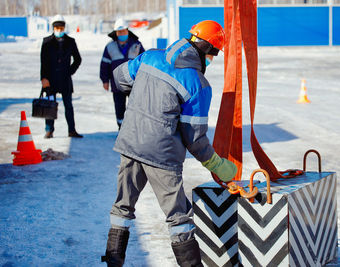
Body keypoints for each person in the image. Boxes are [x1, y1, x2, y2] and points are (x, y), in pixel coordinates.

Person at [101, 20, 237, 267]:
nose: (211, 61)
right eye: (212, 55)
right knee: (179, 218)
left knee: (122, 208)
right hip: (162, 155)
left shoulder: (149, 57)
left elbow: (119, 79)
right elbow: (195, 139)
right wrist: (219, 166)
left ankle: (112, 261)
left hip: (130, 143)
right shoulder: (198, 84)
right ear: (205, 49)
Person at [40, 14, 83, 138]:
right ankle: (49, 130)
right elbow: (43, 61)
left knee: (68, 106)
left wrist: (70, 71)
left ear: (64, 28)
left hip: (65, 79)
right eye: (57, 28)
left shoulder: (70, 41)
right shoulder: (47, 42)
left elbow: (78, 59)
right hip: (50, 80)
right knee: (50, 105)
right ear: (53, 28)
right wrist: (44, 78)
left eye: (61, 28)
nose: (59, 30)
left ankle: (72, 130)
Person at [100, 18, 145, 130]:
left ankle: (133, 130)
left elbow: (144, 63)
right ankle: (121, 129)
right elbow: (104, 64)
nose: (121, 34)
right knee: (119, 108)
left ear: (127, 30)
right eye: (119, 32)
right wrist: (105, 80)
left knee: (135, 108)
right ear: (116, 33)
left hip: (134, 83)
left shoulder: (137, 45)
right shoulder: (110, 46)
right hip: (117, 84)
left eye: (123, 31)